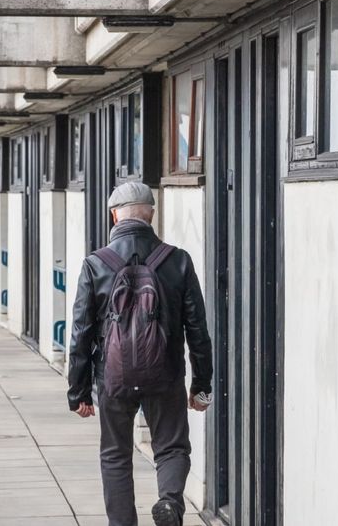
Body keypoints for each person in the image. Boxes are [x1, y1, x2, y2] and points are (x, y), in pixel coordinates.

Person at [68, 181, 213, 526]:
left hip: (113, 378)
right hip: (165, 374)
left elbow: (81, 332)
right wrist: (201, 385)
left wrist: (79, 391)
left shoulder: (95, 264)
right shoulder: (177, 260)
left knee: (116, 455)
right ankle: (169, 503)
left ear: (114, 216)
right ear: (150, 215)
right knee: (172, 447)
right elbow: (197, 329)